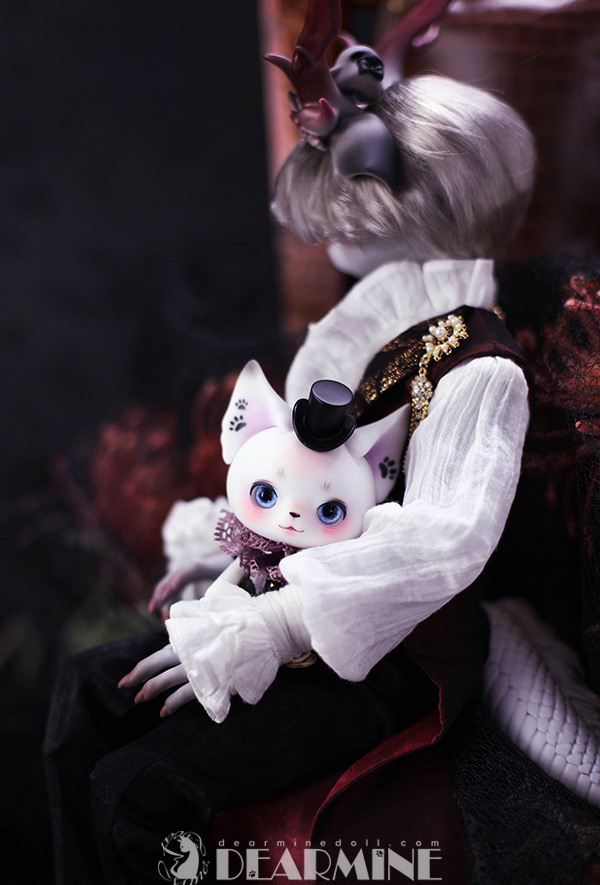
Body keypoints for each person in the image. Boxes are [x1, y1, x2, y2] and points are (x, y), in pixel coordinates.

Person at [44, 1, 536, 882]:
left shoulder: (478, 367)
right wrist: (231, 548)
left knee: (137, 789)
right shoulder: (371, 326)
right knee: (82, 696)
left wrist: (273, 623)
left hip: (387, 648)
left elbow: (443, 541)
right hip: (288, 595)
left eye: (354, 206)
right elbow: (293, 470)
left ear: (424, 212)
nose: (330, 229)